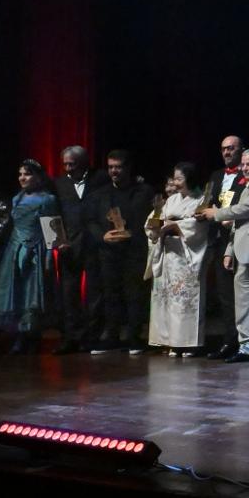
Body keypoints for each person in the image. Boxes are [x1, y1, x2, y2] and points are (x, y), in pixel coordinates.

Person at [199, 147, 249, 364]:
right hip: (242, 251)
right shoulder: (248, 185)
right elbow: (238, 223)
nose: (244, 168)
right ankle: (247, 347)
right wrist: (229, 250)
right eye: (243, 164)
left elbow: (245, 209)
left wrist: (216, 213)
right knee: (243, 304)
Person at [88, 150, 156, 354]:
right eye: (110, 167)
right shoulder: (100, 193)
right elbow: (90, 221)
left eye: (118, 167)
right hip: (109, 253)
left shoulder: (144, 191)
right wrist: (102, 236)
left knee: (134, 296)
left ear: (128, 168)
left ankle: (135, 337)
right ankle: (112, 337)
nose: (114, 171)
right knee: (111, 295)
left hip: (134, 251)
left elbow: (154, 216)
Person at [0, 159, 60, 353]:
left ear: (38, 177)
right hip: (15, 250)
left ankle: (31, 335)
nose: (22, 178)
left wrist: (49, 255)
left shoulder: (47, 200)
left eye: (27, 174)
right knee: (16, 292)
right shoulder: (16, 199)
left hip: (35, 251)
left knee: (33, 294)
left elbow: (52, 230)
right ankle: (17, 335)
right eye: (20, 174)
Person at [145, 162, 208, 355]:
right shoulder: (171, 200)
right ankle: (170, 341)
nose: (176, 183)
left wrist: (175, 226)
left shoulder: (201, 199)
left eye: (180, 179)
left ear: (190, 179)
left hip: (185, 256)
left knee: (184, 300)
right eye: (174, 178)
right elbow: (154, 221)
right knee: (167, 300)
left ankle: (188, 343)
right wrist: (157, 224)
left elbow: (198, 227)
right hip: (168, 255)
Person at [52, 145, 106, 354]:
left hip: (95, 244)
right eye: (65, 164)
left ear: (84, 163)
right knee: (68, 293)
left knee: (95, 293)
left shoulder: (100, 179)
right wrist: (59, 241)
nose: (68, 168)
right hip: (69, 245)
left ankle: (91, 337)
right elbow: (52, 213)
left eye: (72, 164)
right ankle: (70, 337)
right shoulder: (58, 184)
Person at [204, 135, 249, 360]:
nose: (227, 152)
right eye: (223, 149)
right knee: (225, 296)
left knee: (245, 296)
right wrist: (204, 211)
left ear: (241, 150)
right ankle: (229, 340)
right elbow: (209, 202)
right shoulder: (216, 175)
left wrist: (226, 216)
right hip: (219, 241)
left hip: (241, 238)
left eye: (231, 148)